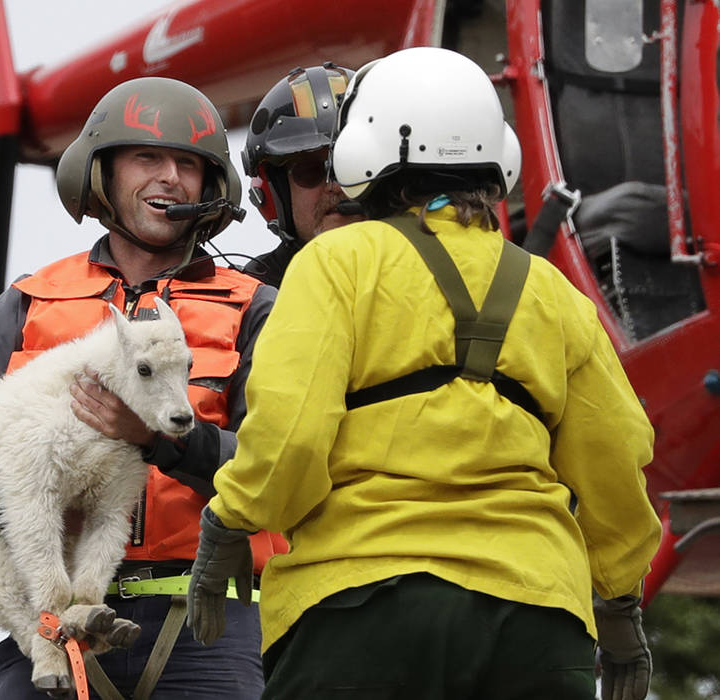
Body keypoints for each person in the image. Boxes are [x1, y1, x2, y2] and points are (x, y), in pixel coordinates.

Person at [186, 47, 662, 700]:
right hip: (535, 624)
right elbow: (614, 463)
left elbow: (290, 438)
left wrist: (228, 521)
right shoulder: (554, 293)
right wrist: (620, 603)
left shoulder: (337, 264)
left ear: (365, 150)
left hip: (357, 612)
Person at [0, 77, 285, 699]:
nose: (169, 178)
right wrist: (8, 495)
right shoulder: (32, 301)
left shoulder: (256, 308)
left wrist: (160, 441)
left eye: (188, 164)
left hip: (209, 627)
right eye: (146, 158)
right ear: (102, 174)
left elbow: (283, 470)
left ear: (211, 188)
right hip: (51, 624)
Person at [240, 63, 364, 287]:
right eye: (310, 171)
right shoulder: (247, 301)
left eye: (349, 166)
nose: (334, 186)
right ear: (273, 192)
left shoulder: (425, 272)